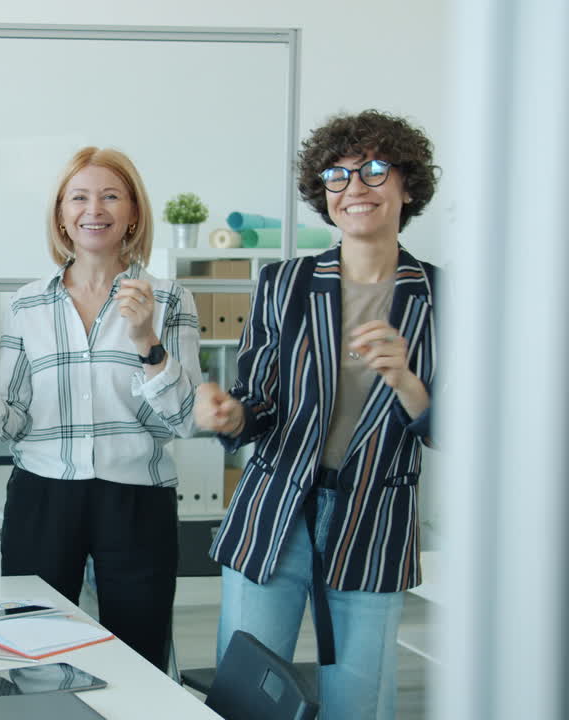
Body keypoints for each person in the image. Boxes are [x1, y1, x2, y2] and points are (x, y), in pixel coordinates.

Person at [195, 109, 440, 719]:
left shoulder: (443, 296)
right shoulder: (286, 282)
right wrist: (232, 415)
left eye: (375, 171)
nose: (355, 188)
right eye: (338, 175)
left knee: (360, 701)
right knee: (247, 696)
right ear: (323, 193)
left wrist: (406, 379)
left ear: (408, 187)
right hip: (275, 511)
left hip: (374, 518)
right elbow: (259, 401)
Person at [0, 147, 202, 669]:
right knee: (31, 651)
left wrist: (147, 340)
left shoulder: (170, 300)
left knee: (139, 656)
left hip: (137, 499)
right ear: (61, 213)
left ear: (133, 212)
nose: (94, 209)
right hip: (43, 496)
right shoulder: (27, 303)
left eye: (110, 196)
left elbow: (186, 419)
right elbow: (10, 420)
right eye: (78, 197)